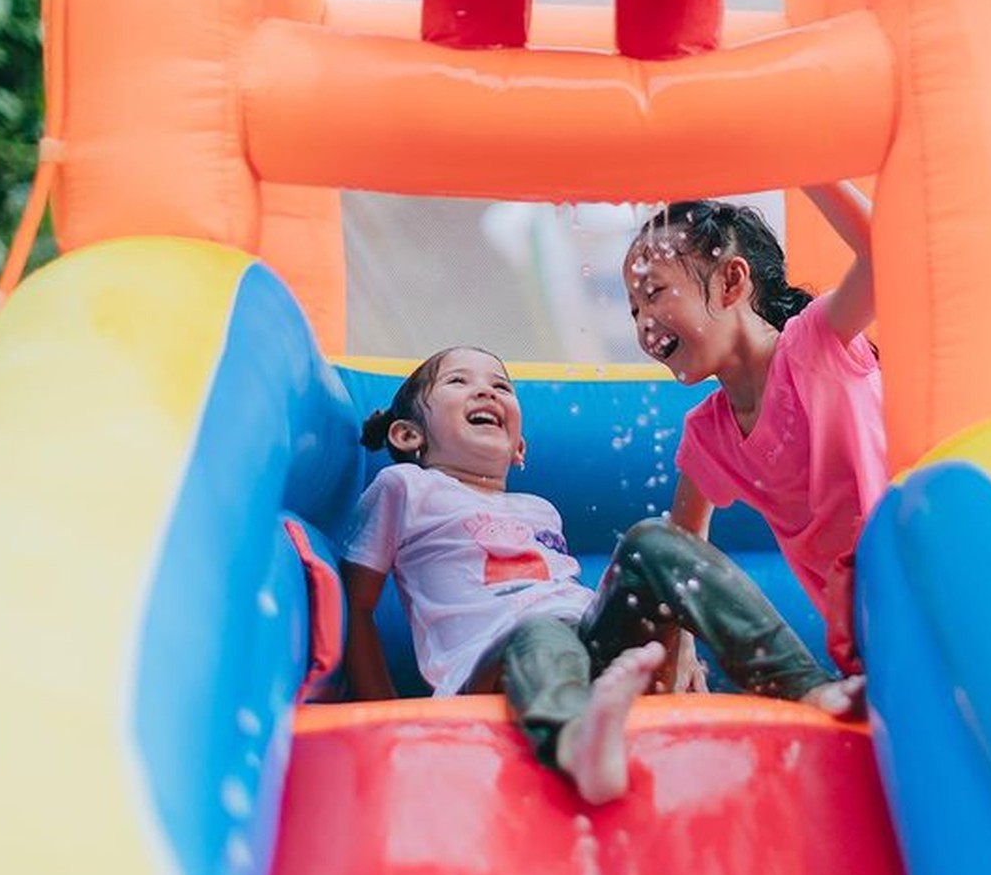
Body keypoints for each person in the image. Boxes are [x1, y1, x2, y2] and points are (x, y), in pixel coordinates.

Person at [340, 345, 864, 806]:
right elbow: (359, 605)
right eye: (460, 382)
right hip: (489, 669)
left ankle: (804, 685)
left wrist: (673, 646)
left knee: (653, 539)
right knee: (540, 630)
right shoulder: (404, 487)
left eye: (501, 385)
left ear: (519, 449)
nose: (488, 393)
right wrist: (388, 719)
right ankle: (575, 741)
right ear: (408, 434)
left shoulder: (538, 509)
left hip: (584, 637)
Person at [623, 183, 885, 675]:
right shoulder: (709, 434)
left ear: (731, 282)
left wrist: (811, 170)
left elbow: (884, 255)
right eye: (634, 309)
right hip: (863, 640)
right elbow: (679, 550)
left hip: (914, 586)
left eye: (654, 292)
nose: (643, 323)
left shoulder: (814, 345)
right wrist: (680, 652)